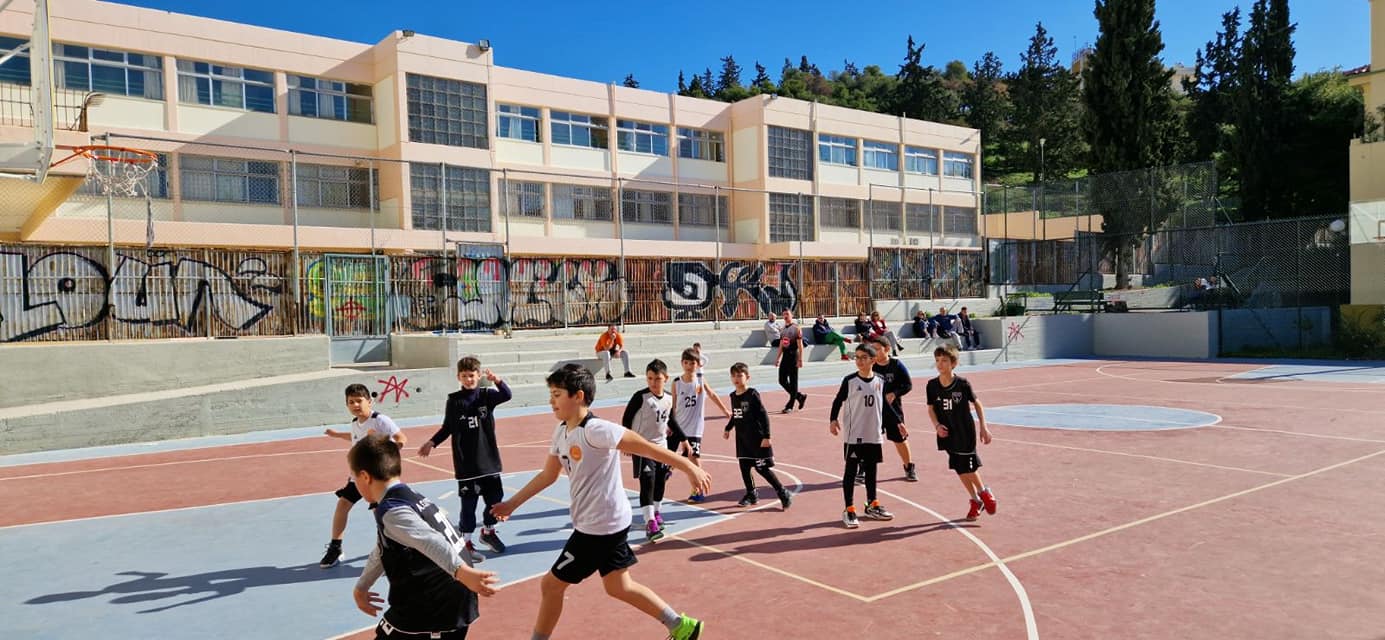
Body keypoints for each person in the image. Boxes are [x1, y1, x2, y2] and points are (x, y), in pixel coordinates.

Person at [492, 365, 710, 640]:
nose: (551, 401)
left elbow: (649, 448)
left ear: (578, 396)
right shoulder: (561, 432)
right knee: (618, 586)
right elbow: (548, 475)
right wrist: (512, 504)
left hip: (599, 527)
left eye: (557, 394)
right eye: (551, 394)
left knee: (551, 585)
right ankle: (681, 626)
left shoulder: (597, 430)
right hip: (607, 521)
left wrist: (691, 468)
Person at [348, 433, 499, 640]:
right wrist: (362, 587)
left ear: (365, 476)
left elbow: (431, 540)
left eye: (353, 476)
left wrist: (461, 572)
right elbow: (384, 547)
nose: (354, 482)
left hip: (434, 607)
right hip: (444, 599)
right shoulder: (408, 497)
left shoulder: (393, 511)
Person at [418, 357, 513, 564]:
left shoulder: (486, 396)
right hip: (467, 465)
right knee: (468, 507)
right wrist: (432, 442)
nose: (468, 379)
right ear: (458, 377)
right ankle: (466, 543)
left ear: (478, 376)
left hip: (489, 461)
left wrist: (497, 380)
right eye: (464, 376)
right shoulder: (454, 401)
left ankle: (488, 532)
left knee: (495, 502)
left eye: (472, 375)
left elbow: (507, 395)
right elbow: (447, 428)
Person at [321, 384, 406, 569]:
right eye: (351, 402)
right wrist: (337, 435)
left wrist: (384, 448)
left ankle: (391, 548)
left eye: (359, 401)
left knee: (380, 513)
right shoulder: (354, 423)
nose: (355, 405)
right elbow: (355, 437)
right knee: (343, 504)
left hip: (377, 477)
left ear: (369, 401)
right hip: (358, 477)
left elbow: (401, 439)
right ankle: (336, 547)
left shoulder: (380, 420)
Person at [927, 345, 997, 521]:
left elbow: (977, 404)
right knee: (959, 467)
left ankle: (984, 492)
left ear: (954, 363)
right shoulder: (932, 385)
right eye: (937, 360)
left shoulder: (962, 384)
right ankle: (975, 501)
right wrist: (936, 426)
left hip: (964, 431)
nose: (940, 364)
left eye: (944, 360)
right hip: (946, 432)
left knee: (969, 466)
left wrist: (983, 426)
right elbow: (931, 409)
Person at [829, 343, 895, 529]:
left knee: (871, 470)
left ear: (873, 360)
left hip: (873, 433)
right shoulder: (850, 381)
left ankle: (872, 504)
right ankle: (849, 508)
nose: (859, 361)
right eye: (857, 357)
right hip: (854, 434)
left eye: (863, 357)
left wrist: (898, 422)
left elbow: (885, 406)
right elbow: (837, 400)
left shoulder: (880, 380)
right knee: (851, 471)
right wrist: (833, 419)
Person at [620, 359, 683, 542]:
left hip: (661, 447)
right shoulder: (640, 397)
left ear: (666, 378)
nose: (653, 382)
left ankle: (656, 513)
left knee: (660, 481)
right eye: (649, 379)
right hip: (642, 446)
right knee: (647, 480)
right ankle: (649, 522)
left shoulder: (670, 398)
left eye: (657, 379)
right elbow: (626, 419)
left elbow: (671, 421)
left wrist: (684, 440)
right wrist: (627, 442)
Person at [723, 362, 791, 509]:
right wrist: (728, 428)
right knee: (744, 468)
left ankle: (782, 492)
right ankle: (751, 494)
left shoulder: (752, 394)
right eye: (734, 375)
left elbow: (763, 415)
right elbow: (736, 415)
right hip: (742, 439)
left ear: (747, 377)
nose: (736, 378)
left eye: (740, 375)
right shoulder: (733, 396)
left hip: (757, 439)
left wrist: (767, 436)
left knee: (762, 469)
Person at [672, 348, 731, 503]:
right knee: (679, 458)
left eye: (692, 363)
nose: (689, 366)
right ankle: (671, 469)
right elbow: (673, 406)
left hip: (695, 427)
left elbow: (712, 394)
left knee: (694, 458)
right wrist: (670, 424)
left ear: (697, 364)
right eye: (686, 363)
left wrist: (725, 410)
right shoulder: (676, 383)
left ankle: (698, 489)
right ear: (682, 363)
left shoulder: (700, 380)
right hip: (679, 426)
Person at [870, 336, 917, 482]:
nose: (874, 352)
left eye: (877, 349)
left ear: (887, 349)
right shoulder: (870, 365)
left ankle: (909, 467)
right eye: (873, 349)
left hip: (893, 410)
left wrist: (895, 393)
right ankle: (863, 468)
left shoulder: (896, 365)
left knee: (900, 439)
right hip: (873, 409)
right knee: (869, 440)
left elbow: (908, 385)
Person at [774, 310, 807, 414]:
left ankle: (790, 405)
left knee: (793, 381)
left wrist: (800, 359)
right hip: (785, 357)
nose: (785, 316)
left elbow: (800, 345)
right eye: (783, 314)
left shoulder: (796, 328)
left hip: (793, 356)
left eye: (787, 314)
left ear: (791, 315)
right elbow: (781, 345)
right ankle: (799, 396)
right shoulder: (782, 329)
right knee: (782, 380)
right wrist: (778, 358)